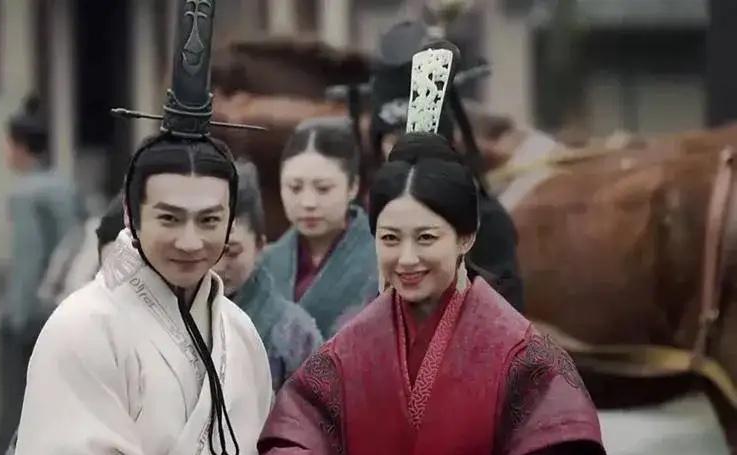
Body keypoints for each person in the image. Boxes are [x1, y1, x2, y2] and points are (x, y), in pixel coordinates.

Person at [14, 1, 273, 453]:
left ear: (231, 221)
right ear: (131, 217)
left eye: (209, 220)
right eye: (169, 218)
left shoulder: (240, 333)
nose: (190, 241)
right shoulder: (83, 328)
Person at [258, 133, 604, 455]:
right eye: (390, 239)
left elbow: (560, 438)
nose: (407, 258)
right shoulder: (345, 354)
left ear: (465, 238)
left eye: (426, 238)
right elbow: (298, 431)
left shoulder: (523, 354)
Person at [367, 21, 525, 312]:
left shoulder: (485, 219)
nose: (403, 153)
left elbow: (506, 321)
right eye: (393, 140)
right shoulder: (364, 214)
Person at [0, 94, 84, 455]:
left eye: (7, 144)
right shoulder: (65, 186)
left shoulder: (25, 195)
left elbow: (28, 259)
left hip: (31, 314)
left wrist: (15, 317)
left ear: (19, 147)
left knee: (14, 409)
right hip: (65, 306)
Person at [260, 117, 378, 337]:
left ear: (353, 186)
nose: (308, 203)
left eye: (323, 189)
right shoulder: (264, 263)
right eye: (295, 188)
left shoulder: (382, 258)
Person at [214, 159, 324, 390]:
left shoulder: (295, 333)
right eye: (210, 251)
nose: (218, 265)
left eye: (231, 252)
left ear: (259, 246)